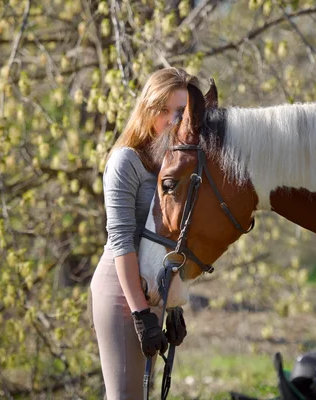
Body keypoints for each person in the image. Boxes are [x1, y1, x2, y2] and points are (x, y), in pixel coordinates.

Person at [89, 67, 200, 399]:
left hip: (155, 291)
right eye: (163, 110)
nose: (171, 119)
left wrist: (173, 305)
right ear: (148, 109)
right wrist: (140, 314)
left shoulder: (174, 164)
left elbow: (170, 239)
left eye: (179, 113)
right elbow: (122, 241)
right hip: (121, 291)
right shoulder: (126, 161)